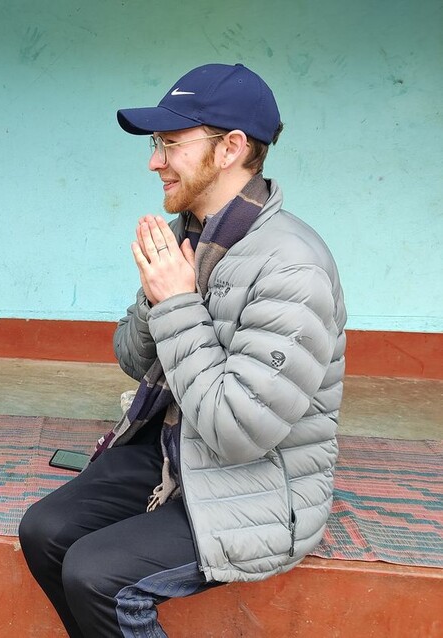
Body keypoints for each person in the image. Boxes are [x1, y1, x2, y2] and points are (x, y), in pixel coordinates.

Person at [19, 63, 346, 637]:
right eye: (155, 144)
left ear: (232, 149)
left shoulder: (293, 265)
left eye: (171, 144)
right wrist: (157, 299)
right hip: (176, 448)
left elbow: (238, 431)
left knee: (97, 574)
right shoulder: (190, 235)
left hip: (260, 484)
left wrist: (175, 303)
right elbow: (131, 356)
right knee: (44, 530)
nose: (154, 161)